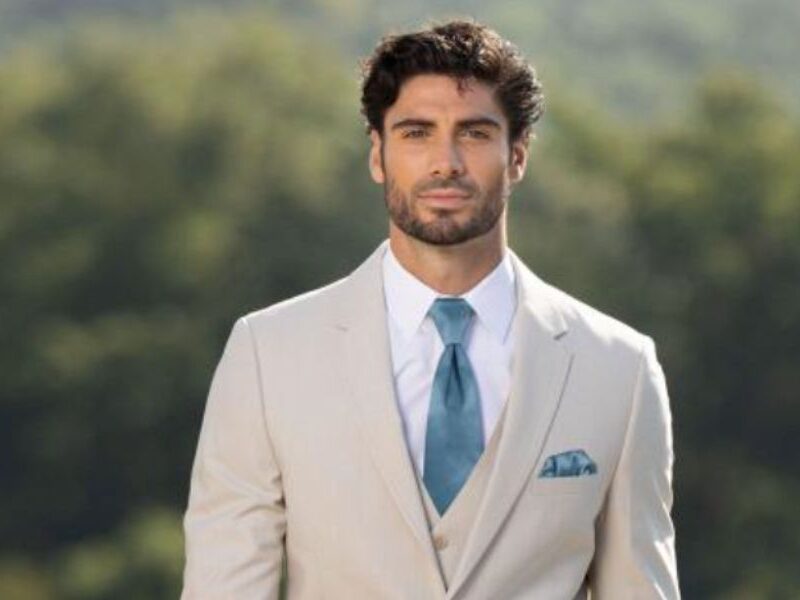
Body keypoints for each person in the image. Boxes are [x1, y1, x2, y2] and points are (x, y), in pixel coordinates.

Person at [180, 19, 680, 599]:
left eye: (473, 133)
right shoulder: (269, 355)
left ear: (516, 155)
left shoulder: (618, 367)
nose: (445, 162)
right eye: (416, 133)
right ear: (378, 154)